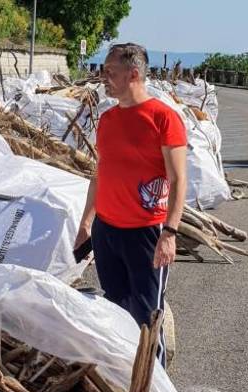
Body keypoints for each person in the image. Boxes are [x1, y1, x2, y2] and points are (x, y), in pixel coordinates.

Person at [74, 43, 187, 368]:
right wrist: (86, 223)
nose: (103, 78)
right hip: (107, 231)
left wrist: (170, 233)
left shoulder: (164, 119)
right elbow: (100, 174)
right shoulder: (108, 119)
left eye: (110, 72)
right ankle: (124, 376)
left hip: (146, 234)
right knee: (116, 309)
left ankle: (154, 386)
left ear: (133, 74)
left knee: (148, 317)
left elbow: (178, 180)